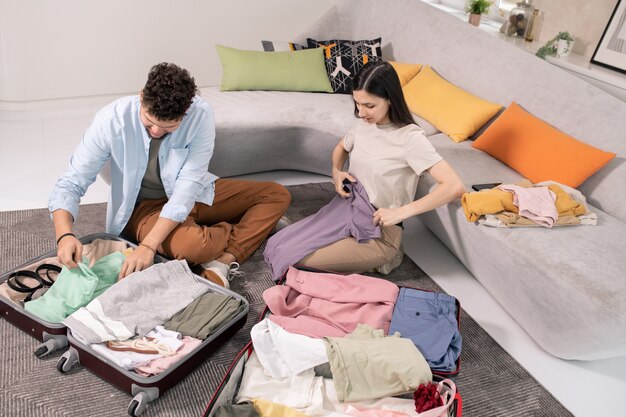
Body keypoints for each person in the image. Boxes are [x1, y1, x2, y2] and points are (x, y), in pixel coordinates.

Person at [49, 62, 290, 286]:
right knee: (196, 247)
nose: (156, 132)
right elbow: (72, 181)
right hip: (145, 208)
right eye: (149, 122)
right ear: (142, 97)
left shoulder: (201, 114)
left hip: (194, 192)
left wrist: (149, 246)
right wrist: (64, 235)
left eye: (168, 128)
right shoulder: (111, 120)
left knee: (276, 194)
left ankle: (223, 261)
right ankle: (248, 227)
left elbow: (189, 185)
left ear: (186, 112)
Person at [264, 60, 465, 277]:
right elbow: (341, 147)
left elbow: (454, 186)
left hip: (380, 233)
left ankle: (391, 255)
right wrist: (336, 172)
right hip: (346, 210)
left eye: (369, 105)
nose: (361, 113)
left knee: (295, 260)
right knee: (277, 244)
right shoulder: (363, 124)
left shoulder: (410, 138)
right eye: (357, 104)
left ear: (390, 100)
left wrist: (401, 212)